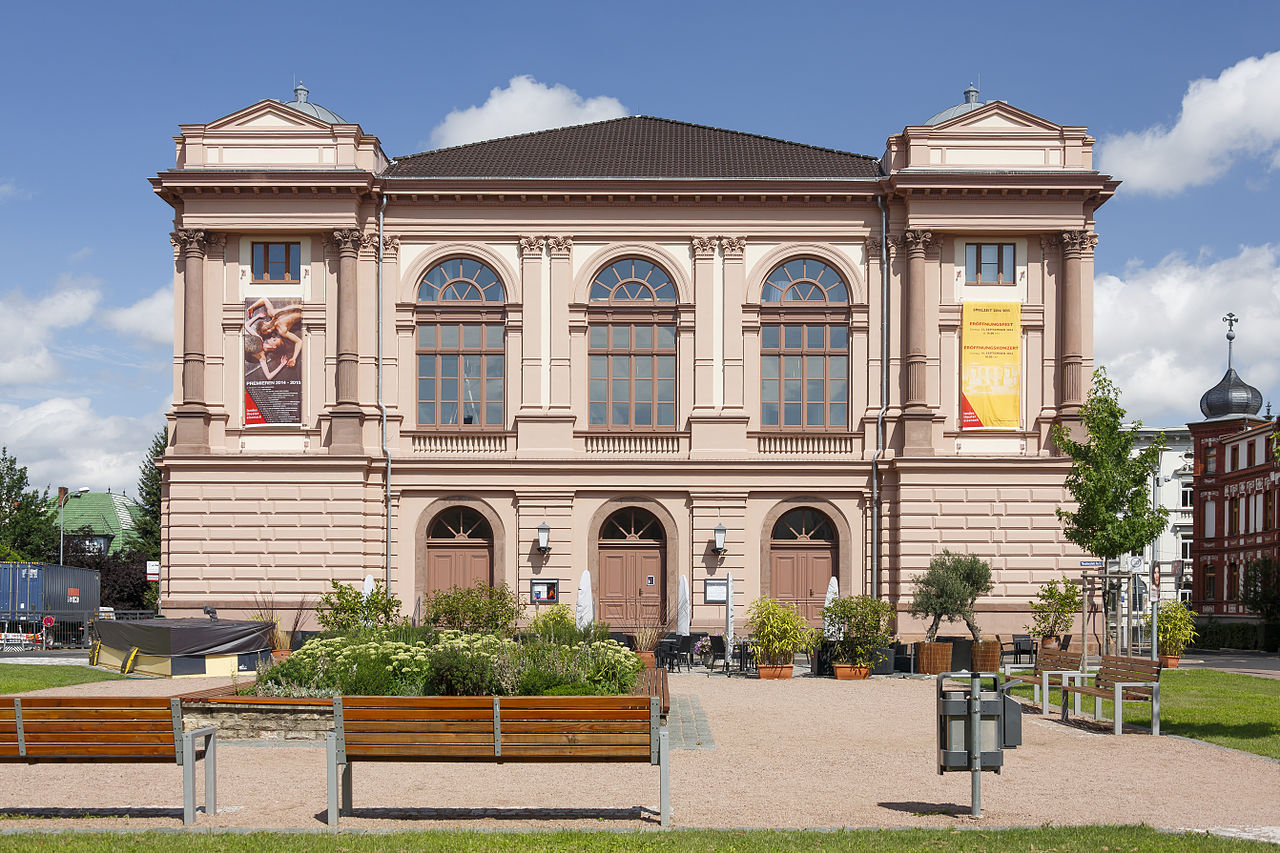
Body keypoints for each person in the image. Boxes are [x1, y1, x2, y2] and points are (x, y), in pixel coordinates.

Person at [244, 298, 303, 377]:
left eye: (266, 329)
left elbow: (246, 325)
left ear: (265, 322)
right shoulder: (282, 331)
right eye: (269, 332)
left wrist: (253, 309)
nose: (269, 331)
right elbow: (268, 376)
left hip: (304, 306)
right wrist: (290, 360)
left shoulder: (272, 313)